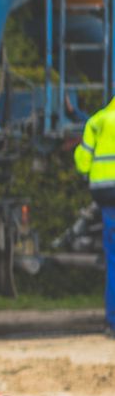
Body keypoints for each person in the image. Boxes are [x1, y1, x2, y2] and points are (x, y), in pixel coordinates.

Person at [74, 97, 115, 336]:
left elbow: (82, 163)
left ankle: (112, 323)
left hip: (105, 195)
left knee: (113, 259)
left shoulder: (97, 120)